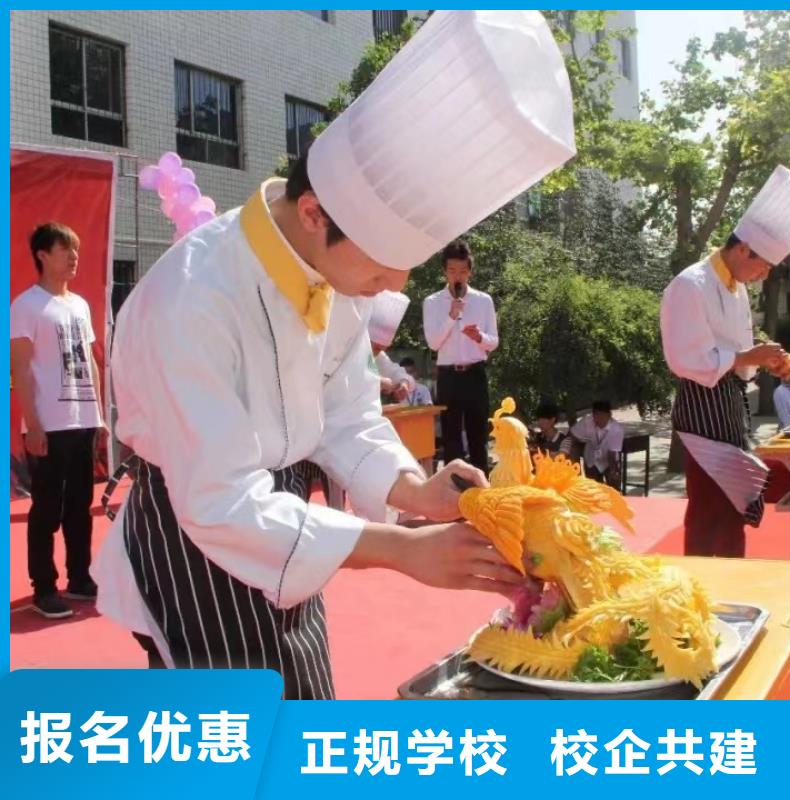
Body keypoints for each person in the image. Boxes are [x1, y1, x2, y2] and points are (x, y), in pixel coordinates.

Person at [92, 10, 576, 694]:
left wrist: (415, 490)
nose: (392, 286)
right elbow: (221, 501)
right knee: (240, 727)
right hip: (197, 537)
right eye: (380, 264)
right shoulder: (191, 297)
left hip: (291, 514)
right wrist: (402, 549)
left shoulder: (335, 275)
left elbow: (347, 414)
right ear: (315, 213)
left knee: (306, 701)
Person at [661, 165, 790, 557]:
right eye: (763, 265)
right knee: (707, 510)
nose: (763, 274)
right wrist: (749, 356)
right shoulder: (690, 284)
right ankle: (701, 583)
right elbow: (685, 359)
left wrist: (765, 360)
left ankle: (733, 578)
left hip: (731, 406)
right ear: (743, 249)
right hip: (701, 408)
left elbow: (740, 355)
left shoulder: (737, 289)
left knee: (734, 508)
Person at [10, 222, 105, 619]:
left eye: (76, 250)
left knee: (80, 506)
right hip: (49, 424)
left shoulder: (79, 305)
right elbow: (18, 368)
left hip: (83, 421)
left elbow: (90, 361)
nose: (74, 257)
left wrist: (99, 414)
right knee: (47, 508)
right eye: (65, 249)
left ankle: (80, 578)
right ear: (42, 255)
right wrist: (32, 424)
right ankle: (44, 587)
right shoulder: (26, 306)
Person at [423, 240, 498, 473]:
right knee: (451, 439)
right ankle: (455, 492)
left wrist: (479, 337)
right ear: (444, 271)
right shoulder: (432, 302)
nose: (458, 276)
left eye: (463, 271)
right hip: (448, 376)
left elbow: (494, 341)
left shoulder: (483, 300)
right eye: (452, 270)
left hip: (475, 373)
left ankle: (481, 490)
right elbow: (433, 343)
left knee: (479, 437)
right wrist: (451, 317)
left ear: (470, 272)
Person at [368, 290, 415, 403]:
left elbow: (395, 372)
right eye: (377, 348)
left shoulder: (378, 356)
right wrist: (378, 382)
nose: (378, 352)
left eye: (383, 348)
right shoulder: (346, 349)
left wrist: (404, 383)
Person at [567, 401, 624, 490]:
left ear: (609, 415)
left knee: (614, 485)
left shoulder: (617, 429)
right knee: (593, 489)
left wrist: (614, 471)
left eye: (602, 416)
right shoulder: (587, 421)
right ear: (592, 415)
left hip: (609, 460)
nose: (599, 419)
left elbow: (612, 454)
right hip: (591, 458)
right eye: (596, 415)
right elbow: (571, 435)